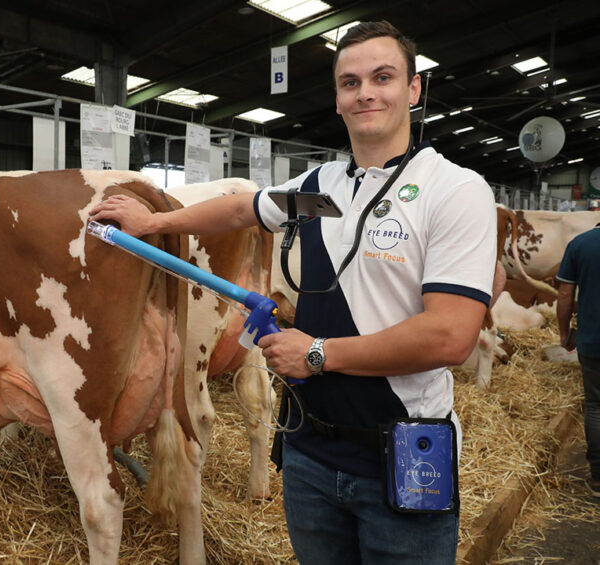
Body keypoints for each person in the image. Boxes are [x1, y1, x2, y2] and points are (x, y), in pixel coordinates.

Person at [91, 20, 496, 564]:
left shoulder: (454, 190)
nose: (366, 93)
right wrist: (155, 219)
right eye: (350, 82)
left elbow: (451, 336)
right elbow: (242, 207)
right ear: (337, 98)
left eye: (383, 77)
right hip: (308, 453)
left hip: (400, 457)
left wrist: (319, 353)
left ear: (414, 88)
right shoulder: (318, 189)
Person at [556, 221, 600, 498]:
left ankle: (598, 477)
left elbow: (564, 294)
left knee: (596, 406)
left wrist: (564, 332)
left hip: (592, 341)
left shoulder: (580, 245)